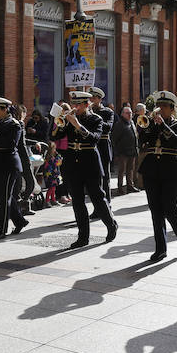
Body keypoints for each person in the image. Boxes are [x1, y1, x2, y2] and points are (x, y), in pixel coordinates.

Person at [51, 91, 117, 249]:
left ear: (87, 105)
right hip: (72, 163)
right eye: (74, 104)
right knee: (78, 202)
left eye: (78, 105)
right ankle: (83, 237)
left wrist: (77, 124)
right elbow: (54, 136)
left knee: (98, 198)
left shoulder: (96, 119)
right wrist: (57, 120)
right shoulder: (69, 119)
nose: (75, 108)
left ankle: (111, 224)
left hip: (90, 162)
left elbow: (94, 138)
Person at [137, 90, 177, 261]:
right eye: (159, 106)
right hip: (151, 169)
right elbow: (142, 140)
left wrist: (163, 126)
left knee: (170, 208)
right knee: (155, 210)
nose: (160, 109)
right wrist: (148, 125)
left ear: (172, 108)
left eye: (164, 106)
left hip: (171, 170)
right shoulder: (152, 123)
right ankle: (160, 248)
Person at [0, 97, 28, 240]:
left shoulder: (14, 124)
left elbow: (11, 143)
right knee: (4, 196)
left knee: (3, 199)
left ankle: (1, 231)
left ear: (4, 109)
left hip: (8, 165)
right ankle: (20, 221)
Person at [90, 87, 115, 213]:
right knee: (94, 180)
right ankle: (97, 208)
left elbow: (108, 127)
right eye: (90, 98)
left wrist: (94, 116)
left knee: (105, 179)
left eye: (93, 98)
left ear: (99, 99)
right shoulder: (86, 112)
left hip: (103, 146)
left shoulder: (108, 112)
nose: (90, 100)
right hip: (91, 147)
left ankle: (107, 207)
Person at [110, 105, 139, 194]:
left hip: (132, 150)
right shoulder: (119, 124)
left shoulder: (132, 123)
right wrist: (117, 152)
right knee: (121, 171)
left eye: (130, 113)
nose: (129, 115)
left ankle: (130, 186)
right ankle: (120, 188)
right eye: (127, 113)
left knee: (130, 169)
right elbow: (114, 138)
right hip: (122, 152)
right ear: (122, 114)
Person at [42, 142, 63, 207]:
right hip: (50, 176)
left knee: (54, 188)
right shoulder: (49, 158)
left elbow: (58, 163)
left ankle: (53, 200)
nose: (55, 150)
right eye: (54, 149)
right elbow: (56, 164)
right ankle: (47, 201)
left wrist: (58, 156)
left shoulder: (54, 157)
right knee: (51, 188)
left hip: (54, 175)